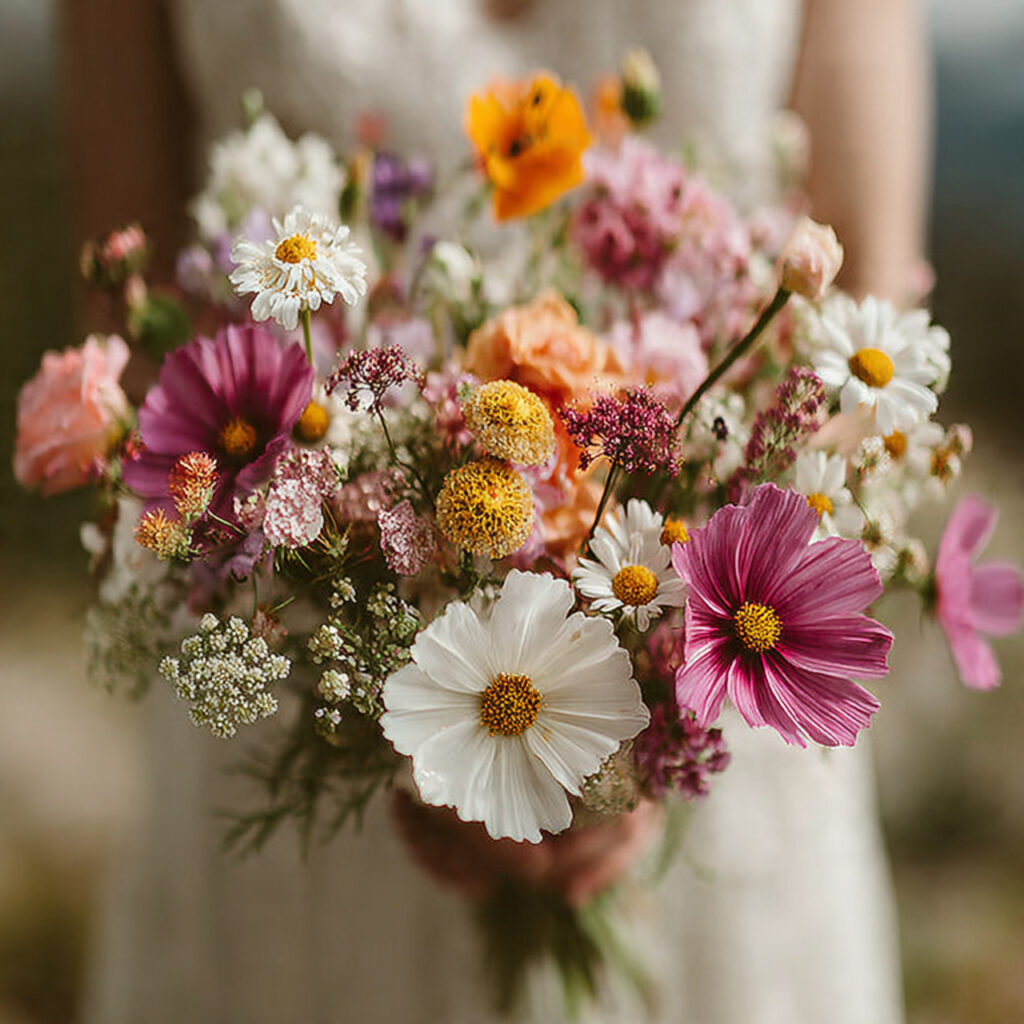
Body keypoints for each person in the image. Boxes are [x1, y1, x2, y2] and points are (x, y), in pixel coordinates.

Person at [63, 1, 929, 1020]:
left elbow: (868, 314)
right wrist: (385, 671)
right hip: (294, 677)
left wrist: (645, 709)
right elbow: (132, 309)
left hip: (717, 690)